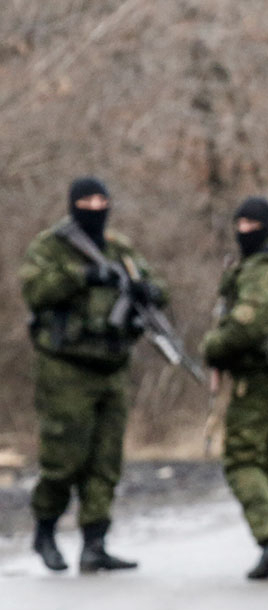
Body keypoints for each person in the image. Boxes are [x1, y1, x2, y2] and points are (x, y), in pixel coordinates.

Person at [20, 176, 167, 573]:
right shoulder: (51, 246)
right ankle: (46, 530)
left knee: (106, 461)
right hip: (65, 366)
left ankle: (94, 542)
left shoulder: (119, 248)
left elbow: (153, 283)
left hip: (112, 366)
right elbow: (35, 290)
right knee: (64, 459)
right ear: (73, 204)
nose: (95, 206)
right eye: (86, 200)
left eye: (101, 199)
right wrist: (82, 277)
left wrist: (150, 292)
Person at [202, 197, 268, 580]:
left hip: (265, 376)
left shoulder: (266, 271)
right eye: (240, 223)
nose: (244, 231)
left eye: (252, 224)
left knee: (242, 459)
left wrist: (212, 348)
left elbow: (247, 326)